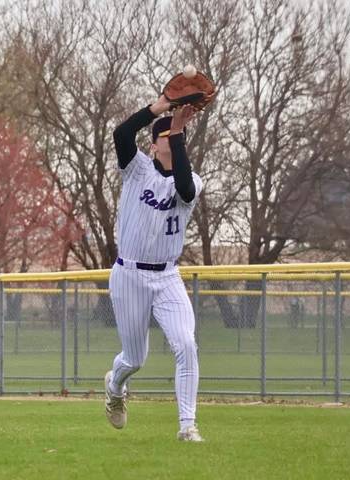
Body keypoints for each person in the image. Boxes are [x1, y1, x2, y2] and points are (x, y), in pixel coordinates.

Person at [104, 96, 204, 442]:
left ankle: (187, 426)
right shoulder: (137, 170)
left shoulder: (191, 179)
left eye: (180, 138)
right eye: (167, 137)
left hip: (167, 276)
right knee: (135, 358)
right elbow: (120, 134)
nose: (176, 141)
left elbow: (185, 189)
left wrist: (176, 131)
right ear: (153, 144)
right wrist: (160, 107)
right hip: (129, 274)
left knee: (186, 344)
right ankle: (115, 386)